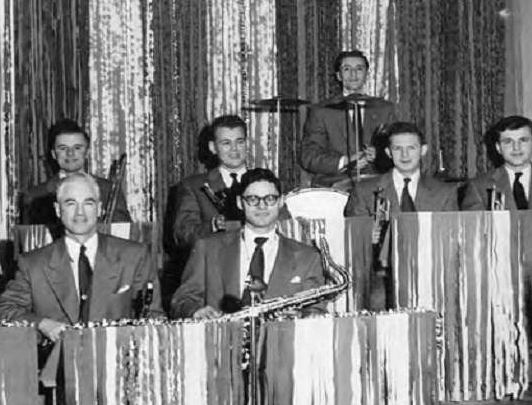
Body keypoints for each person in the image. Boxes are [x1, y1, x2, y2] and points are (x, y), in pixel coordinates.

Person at [0, 172, 162, 379]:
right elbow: (3, 310)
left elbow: (154, 316)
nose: (80, 212)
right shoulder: (33, 263)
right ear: (58, 210)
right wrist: (43, 324)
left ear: (100, 208)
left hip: (119, 373)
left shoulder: (134, 256)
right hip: (57, 377)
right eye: (71, 203)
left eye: (88, 203)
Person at [170, 168, 326, 319]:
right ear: (240, 202)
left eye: (270, 198)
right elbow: (182, 300)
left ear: (281, 201)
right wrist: (195, 311)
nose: (262, 206)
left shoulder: (307, 257)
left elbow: (316, 311)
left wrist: (300, 316)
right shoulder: (207, 248)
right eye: (253, 199)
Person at [300, 51, 396, 188]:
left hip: (376, 182)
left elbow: (397, 147)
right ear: (339, 75)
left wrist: (380, 155)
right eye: (347, 69)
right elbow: (308, 156)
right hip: (334, 182)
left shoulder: (384, 109)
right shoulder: (321, 111)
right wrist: (345, 161)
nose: (353, 74)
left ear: (366, 74)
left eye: (359, 68)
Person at [461, 115, 532, 231]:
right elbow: (473, 233)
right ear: (498, 147)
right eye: (508, 141)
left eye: (523, 140)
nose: (516, 147)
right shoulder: (479, 186)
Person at [19, 119, 131, 226]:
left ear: (87, 152)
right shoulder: (34, 195)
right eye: (63, 148)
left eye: (77, 148)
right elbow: (30, 240)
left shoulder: (108, 190)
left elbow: (123, 233)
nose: (70, 153)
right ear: (53, 154)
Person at [170, 115, 250, 250]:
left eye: (240, 141)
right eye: (226, 143)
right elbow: (182, 235)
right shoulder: (194, 186)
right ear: (212, 147)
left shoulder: (266, 183)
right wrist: (213, 225)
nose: (234, 149)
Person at [344, 122, 458, 216]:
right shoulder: (365, 191)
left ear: (423, 150)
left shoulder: (444, 193)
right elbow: (356, 237)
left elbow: (450, 237)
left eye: (411, 148)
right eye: (397, 149)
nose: (404, 155)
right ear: (388, 152)